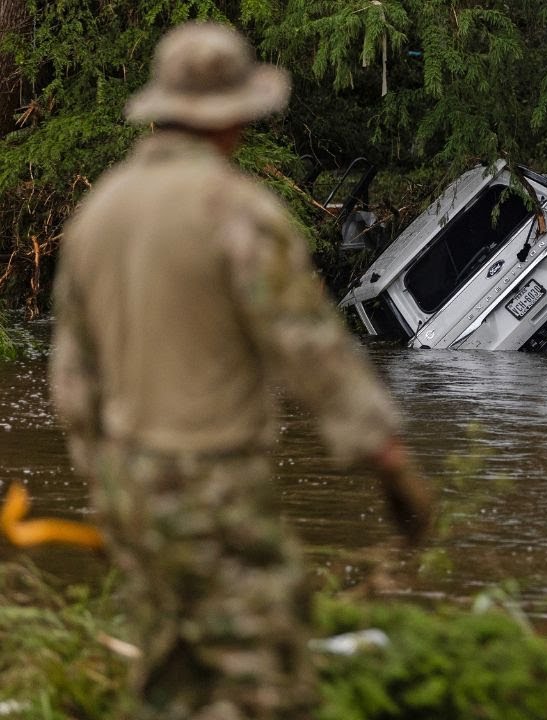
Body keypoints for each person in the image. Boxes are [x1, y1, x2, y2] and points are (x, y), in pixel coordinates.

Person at [48, 21, 435, 720]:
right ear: (232, 120)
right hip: (213, 483)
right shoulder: (237, 212)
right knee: (266, 680)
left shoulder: (98, 213)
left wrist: (106, 475)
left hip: (127, 486)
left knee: (174, 677)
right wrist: (389, 456)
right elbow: (310, 346)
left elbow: (72, 378)